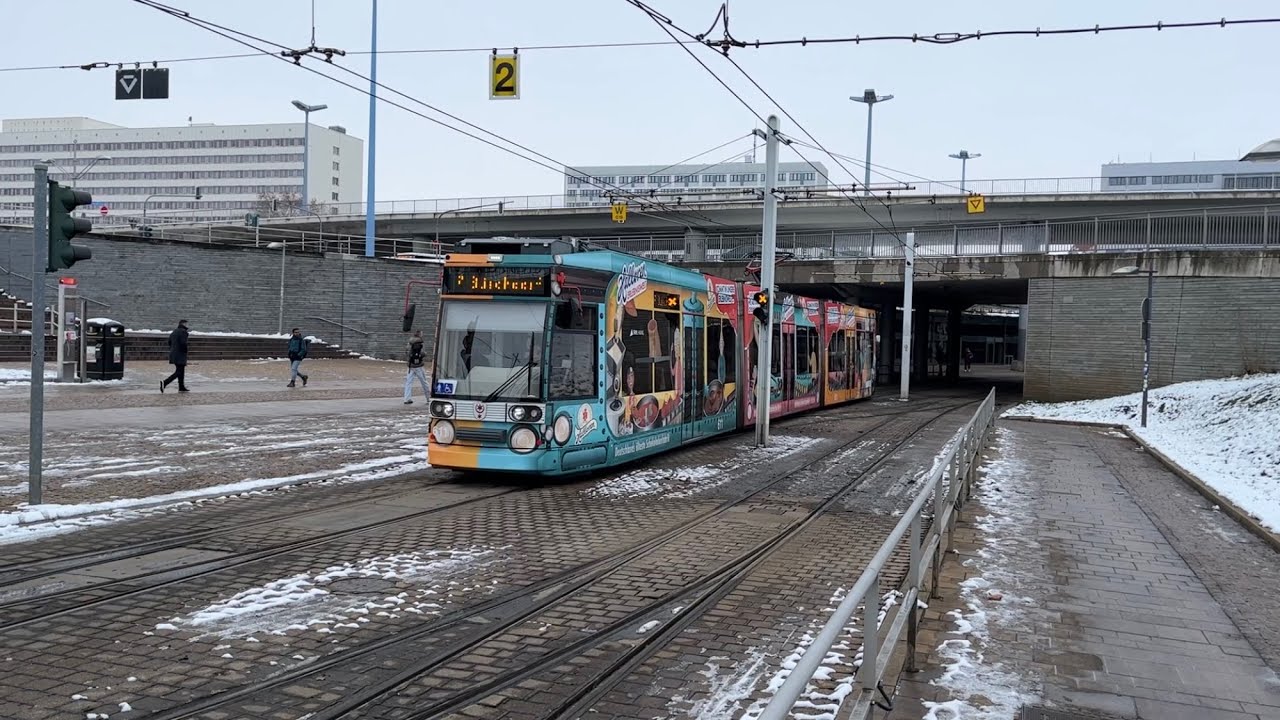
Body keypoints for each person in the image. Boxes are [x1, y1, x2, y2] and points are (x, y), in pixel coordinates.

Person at [160, 319, 190, 393]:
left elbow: (169, 342)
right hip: (180, 354)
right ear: (184, 324)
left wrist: (173, 349)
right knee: (179, 371)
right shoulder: (183, 332)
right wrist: (185, 351)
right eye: (187, 324)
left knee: (181, 370)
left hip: (174, 353)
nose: (188, 325)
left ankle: (181, 386)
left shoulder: (174, 331)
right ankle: (165, 382)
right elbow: (183, 343)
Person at [403, 330, 429, 404]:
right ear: (420, 334)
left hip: (410, 366)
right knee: (424, 382)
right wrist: (424, 355)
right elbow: (423, 353)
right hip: (419, 366)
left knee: (408, 382)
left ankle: (407, 398)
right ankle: (428, 398)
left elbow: (406, 352)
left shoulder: (410, 342)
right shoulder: (420, 342)